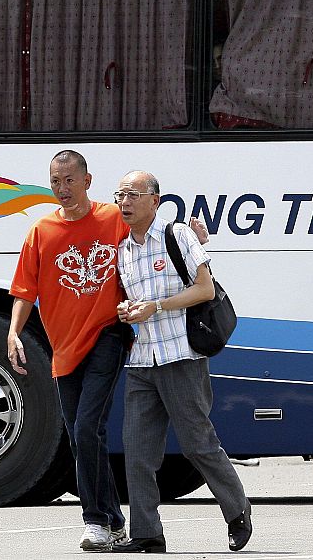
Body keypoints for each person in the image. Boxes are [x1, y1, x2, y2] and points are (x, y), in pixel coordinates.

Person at [112, 170, 252, 553]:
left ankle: (238, 510)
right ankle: (147, 534)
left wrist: (155, 306)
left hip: (181, 357)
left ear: (154, 201)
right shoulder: (123, 250)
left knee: (197, 444)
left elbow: (204, 289)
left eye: (133, 195)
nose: (124, 202)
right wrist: (129, 310)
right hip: (143, 361)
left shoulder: (178, 235)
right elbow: (135, 302)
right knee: (137, 451)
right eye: (120, 195)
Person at [7, 149, 132, 552]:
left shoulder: (113, 219)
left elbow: (150, 246)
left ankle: (95, 521)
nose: (62, 189)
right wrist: (13, 334)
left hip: (107, 335)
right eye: (55, 181)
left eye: (69, 180)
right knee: (84, 437)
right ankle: (113, 520)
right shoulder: (41, 231)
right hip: (64, 347)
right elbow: (25, 290)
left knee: (85, 427)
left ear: (88, 181)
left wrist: (191, 238)